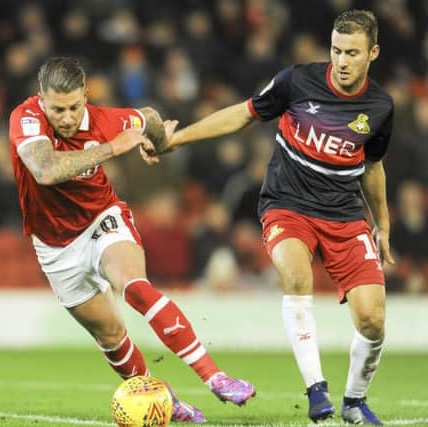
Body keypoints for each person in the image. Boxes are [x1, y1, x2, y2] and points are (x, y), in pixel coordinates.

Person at [146, 10, 393, 425]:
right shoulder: (296, 81)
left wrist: (382, 224)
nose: (342, 61)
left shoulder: (381, 107)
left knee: (372, 319)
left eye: (352, 52)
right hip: (287, 203)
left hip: (345, 215)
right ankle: (317, 391)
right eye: (336, 50)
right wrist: (177, 139)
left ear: (373, 52)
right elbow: (243, 113)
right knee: (296, 277)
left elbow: (372, 167)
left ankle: (354, 402)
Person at [8, 57, 256, 423]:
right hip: (56, 246)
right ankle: (163, 400)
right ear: (41, 99)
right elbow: (45, 171)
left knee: (134, 286)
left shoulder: (107, 119)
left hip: (102, 218)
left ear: (86, 96)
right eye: (57, 108)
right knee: (110, 335)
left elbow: (150, 117)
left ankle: (215, 377)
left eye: (75, 106)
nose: (66, 116)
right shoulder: (26, 119)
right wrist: (112, 148)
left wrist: (156, 144)